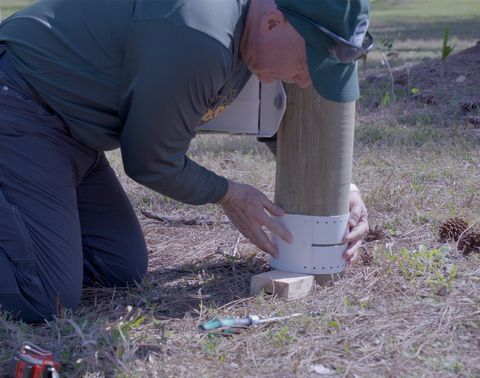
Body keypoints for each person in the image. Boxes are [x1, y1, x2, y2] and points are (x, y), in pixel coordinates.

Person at [0, 0, 371, 323]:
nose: (304, 83)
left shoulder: (251, 34)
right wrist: (230, 195)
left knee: (118, 268)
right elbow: (151, 161)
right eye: (308, 65)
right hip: (20, 103)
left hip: (73, 135)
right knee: (43, 296)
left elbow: (274, 126)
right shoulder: (200, 35)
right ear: (273, 23)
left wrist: (343, 189)